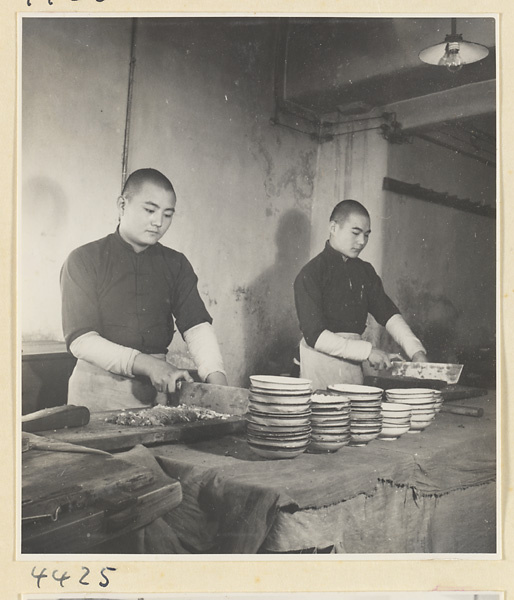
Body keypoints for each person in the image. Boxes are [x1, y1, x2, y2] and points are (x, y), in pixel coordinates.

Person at [60, 168, 227, 412]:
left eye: (167, 214)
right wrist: (147, 365)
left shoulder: (176, 264)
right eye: (149, 210)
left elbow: (196, 327)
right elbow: (81, 341)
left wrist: (219, 384)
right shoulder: (84, 259)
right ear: (122, 204)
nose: (158, 222)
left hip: (155, 393)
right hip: (96, 390)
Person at [293, 199, 427, 390]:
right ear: (333, 227)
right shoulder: (311, 274)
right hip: (319, 367)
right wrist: (368, 351)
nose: (362, 241)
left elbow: (388, 313)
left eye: (366, 235)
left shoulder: (365, 272)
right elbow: (315, 336)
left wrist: (416, 351)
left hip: (352, 368)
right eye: (355, 233)